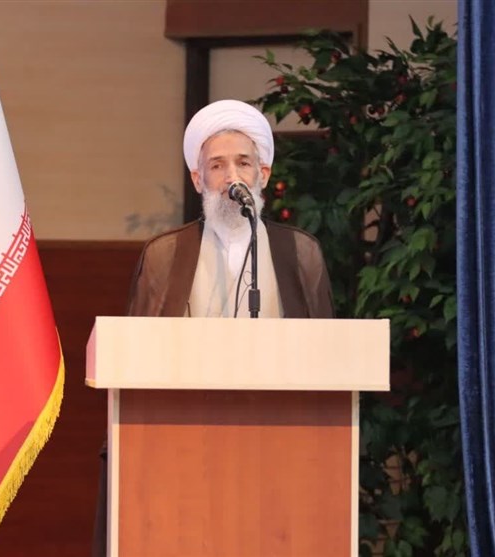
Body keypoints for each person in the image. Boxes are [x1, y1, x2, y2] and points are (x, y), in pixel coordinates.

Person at [91, 99, 334, 556]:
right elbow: (134, 359)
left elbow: (328, 360)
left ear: (263, 174)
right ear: (198, 179)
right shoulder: (165, 254)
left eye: (243, 163)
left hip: (279, 449)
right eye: (217, 166)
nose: (231, 176)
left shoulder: (301, 252)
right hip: (181, 448)